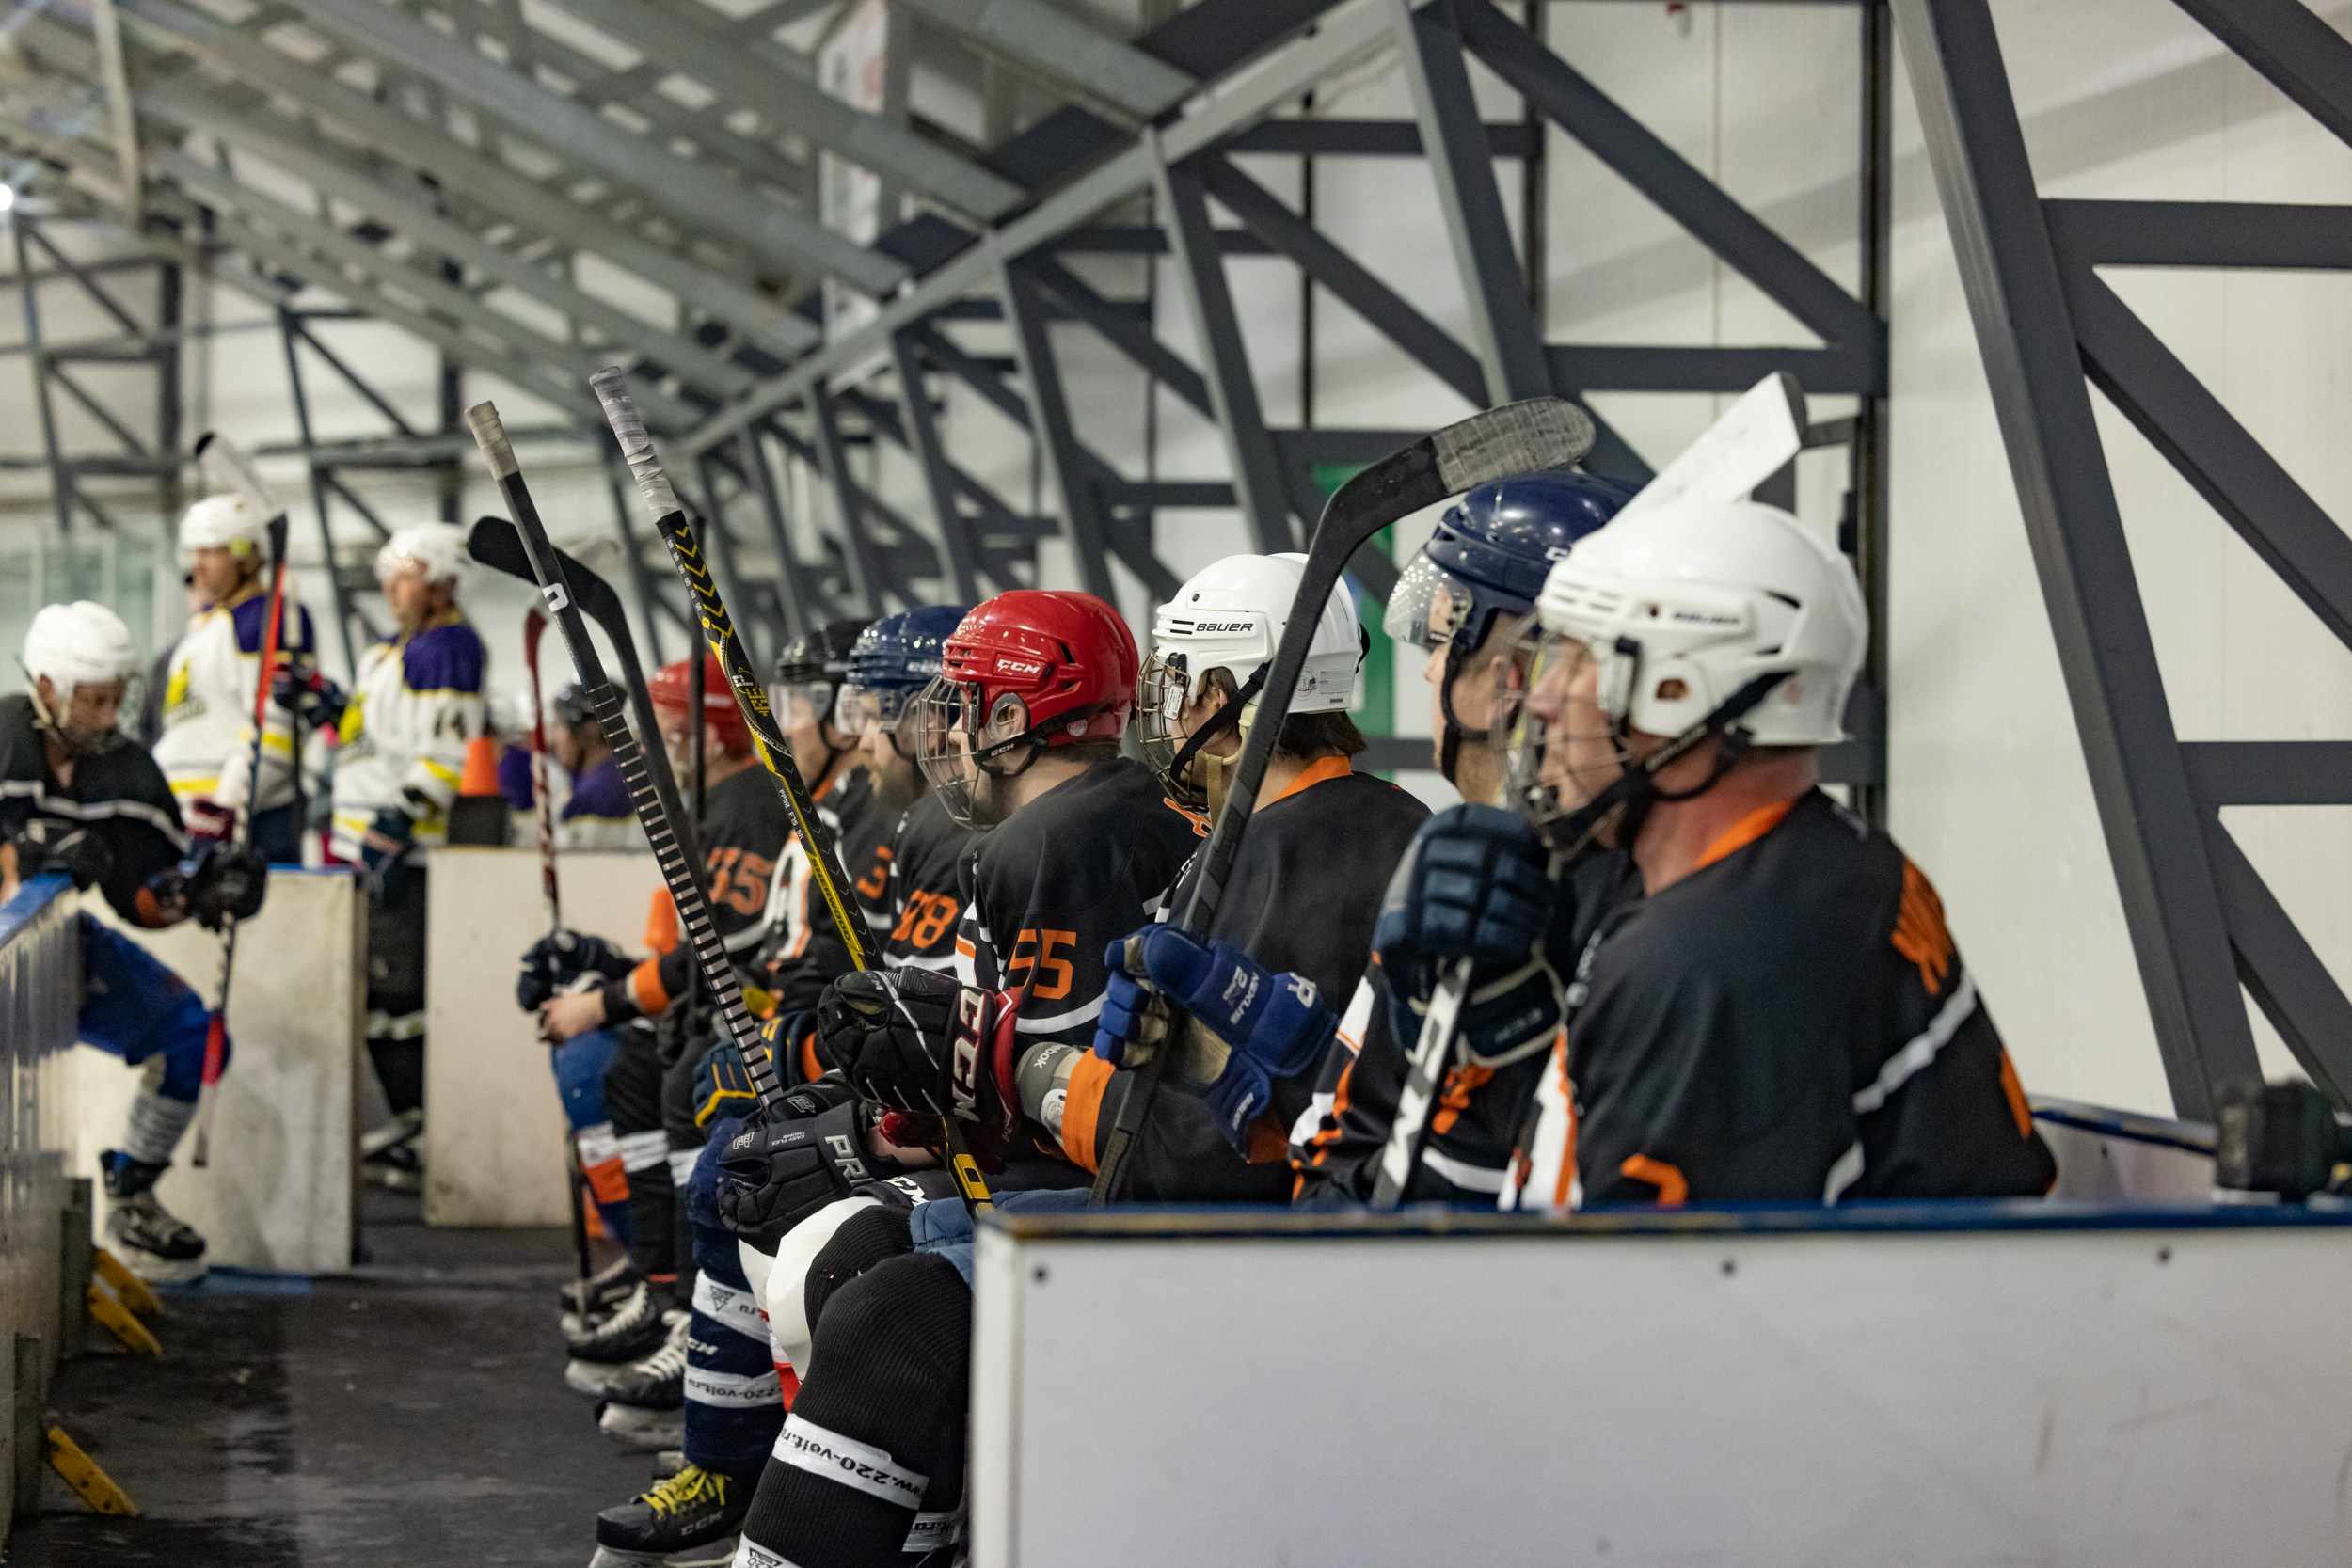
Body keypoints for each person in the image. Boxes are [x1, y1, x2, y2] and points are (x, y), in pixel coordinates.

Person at [716, 566, 1426, 1568]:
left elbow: (1202, 1145)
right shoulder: (1328, 827)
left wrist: (1003, 1069)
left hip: (1238, 1239)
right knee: (871, 1273)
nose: (1158, 713)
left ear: (1218, 701)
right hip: (1210, 1205)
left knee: (881, 1305)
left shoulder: (1290, 857)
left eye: (1176, 681)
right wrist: (975, 1100)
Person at [1476, 497, 2056, 1206]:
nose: (1544, 701)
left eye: (1579, 660)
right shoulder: (1830, 859)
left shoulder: (1706, 969)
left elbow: (1667, 1299)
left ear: (1678, 688)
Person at [1294, 468, 1640, 1204]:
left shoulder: (1626, 903)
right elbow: (1330, 1148)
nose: (1426, 665)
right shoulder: (1448, 865)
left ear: (1513, 668)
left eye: (1447, 636)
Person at [526, 655, 790, 1388]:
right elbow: (673, 949)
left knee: (649, 1076)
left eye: (670, 730)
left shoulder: (745, 807)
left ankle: (680, 1299)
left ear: (709, 735)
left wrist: (602, 1001)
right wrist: (598, 966)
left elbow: (715, 954)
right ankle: (654, 1271)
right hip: (697, 1004)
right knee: (628, 1073)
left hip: (748, 1012)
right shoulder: (705, 805)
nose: (655, 748)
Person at [1, 602, 266, 1279]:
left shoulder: (125, 769)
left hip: (52, 950)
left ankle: (132, 1196)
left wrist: (200, 892)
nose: (109, 716)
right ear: (49, 688)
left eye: (118, 699)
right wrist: (19, 853)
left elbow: (143, 895)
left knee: (191, 1034)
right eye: (94, 700)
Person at [329, 522, 486, 1194]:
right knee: (373, 998)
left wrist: (395, 822)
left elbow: (444, 754)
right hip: (357, 846)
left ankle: (422, 1126)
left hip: (403, 855)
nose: (391, 587)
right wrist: (322, 707)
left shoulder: (447, 647)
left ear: (442, 580)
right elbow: (371, 742)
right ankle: (410, 1119)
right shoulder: (390, 652)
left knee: (395, 999)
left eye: (406, 574)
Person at [151, 492, 318, 864]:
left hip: (244, 825)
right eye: (195, 553)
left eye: (211, 552)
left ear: (249, 555)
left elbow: (273, 726)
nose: (198, 566)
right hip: (192, 820)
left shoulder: (262, 617)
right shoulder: (209, 624)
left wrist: (226, 806)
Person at [548, 682, 642, 851]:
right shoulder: (623, 775)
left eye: (558, 725)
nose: (552, 739)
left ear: (589, 730)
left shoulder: (598, 793)